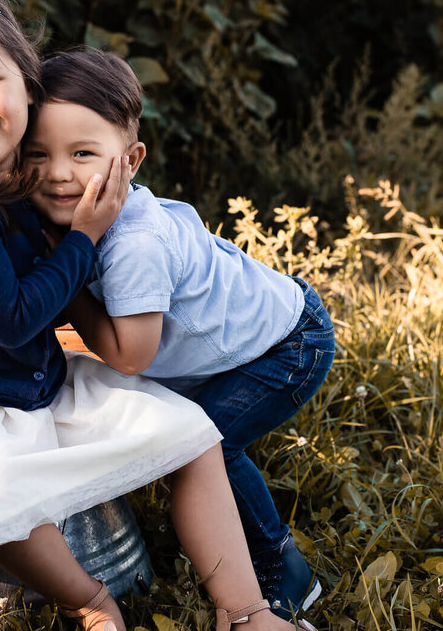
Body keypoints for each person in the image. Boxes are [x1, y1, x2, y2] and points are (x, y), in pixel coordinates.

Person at [0, 0, 305, 631]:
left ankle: (245, 611)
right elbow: (12, 318)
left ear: (27, 90)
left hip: (40, 382)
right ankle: (89, 599)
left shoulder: (27, 179)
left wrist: (74, 240)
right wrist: (82, 241)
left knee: (195, 438)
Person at [24, 47, 336, 622]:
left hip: (286, 346)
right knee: (184, 435)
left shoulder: (135, 247)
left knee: (205, 444)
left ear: (131, 159)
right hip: (232, 342)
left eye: (83, 153)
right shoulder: (69, 214)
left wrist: (66, 290)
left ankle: (280, 568)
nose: (59, 173)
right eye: (37, 154)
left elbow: (130, 353)